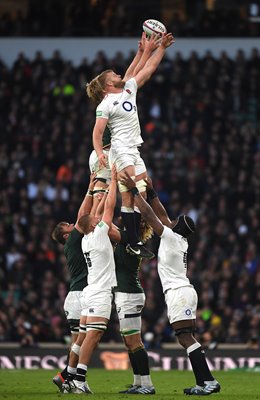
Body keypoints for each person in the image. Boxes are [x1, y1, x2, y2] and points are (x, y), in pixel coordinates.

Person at [120, 173, 221, 396]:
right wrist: (152, 190)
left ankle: (209, 381)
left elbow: (150, 215)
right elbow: (162, 214)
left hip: (179, 292)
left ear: (178, 228)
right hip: (183, 291)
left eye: (175, 222)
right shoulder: (177, 238)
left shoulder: (172, 237)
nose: (171, 221)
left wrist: (134, 192)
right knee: (185, 337)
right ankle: (204, 382)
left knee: (185, 337)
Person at [86, 32, 174, 259]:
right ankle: (133, 241)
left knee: (142, 191)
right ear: (107, 85)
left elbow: (146, 69)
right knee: (129, 195)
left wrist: (161, 48)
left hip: (134, 149)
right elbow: (97, 133)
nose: (119, 74)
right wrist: (99, 152)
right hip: (120, 150)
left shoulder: (128, 89)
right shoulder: (106, 104)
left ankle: (134, 236)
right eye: (113, 74)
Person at [64, 166, 117, 394]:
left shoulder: (86, 238)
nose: (98, 221)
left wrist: (96, 191)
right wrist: (112, 182)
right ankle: (79, 378)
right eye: (95, 221)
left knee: (85, 336)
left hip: (89, 292)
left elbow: (92, 216)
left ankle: (70, 376)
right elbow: (109, 208)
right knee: (93, 335)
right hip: (99, 292)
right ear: (93, 225)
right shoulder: (98, 234)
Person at [51, 173, 96, 392]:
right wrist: (91, 188)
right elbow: (82, 217)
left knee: (80, 340)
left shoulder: (75, 245)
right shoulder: (72, 243)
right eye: (67, 226)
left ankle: (67, 377)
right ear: (66, 236)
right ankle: (70, 376)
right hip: (79, 295)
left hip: (76, 295)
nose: (72, 225)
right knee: (84, 339)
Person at [110, 218, 155, 395]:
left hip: (129, 295)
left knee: (134, 341)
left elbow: (107, 227)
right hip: (127, 293)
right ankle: (138, 382)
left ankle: (148, 384)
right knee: (129, 342)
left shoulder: (126, 239)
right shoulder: (130, 240)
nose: (120, 217)